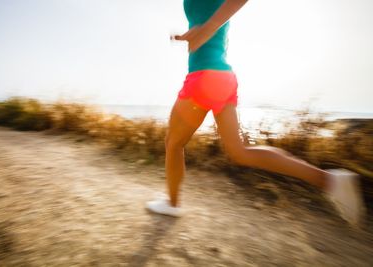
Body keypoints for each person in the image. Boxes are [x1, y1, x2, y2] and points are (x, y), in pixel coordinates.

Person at [146, 0, 365, 226]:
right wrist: (195, 33)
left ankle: (172, 204)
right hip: (222, 77)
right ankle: (330, 181)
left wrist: (206, 29)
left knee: (173, 142)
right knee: (240, 152)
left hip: (203, 77)